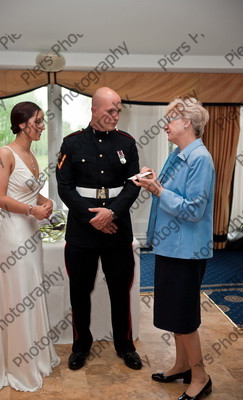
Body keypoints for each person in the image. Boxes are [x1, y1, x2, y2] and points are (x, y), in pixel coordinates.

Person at [0, 101, 60, 399]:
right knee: (15, 296)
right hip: (12, 234)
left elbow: (31, 192)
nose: (41, 126)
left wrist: (46, 202)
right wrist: (32, 209)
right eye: (38, 121)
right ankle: (14, 364)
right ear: (22, 123)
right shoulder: (4, 153)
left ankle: (32, 356)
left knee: (29, 291)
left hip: (31, 233)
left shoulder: (30, 154)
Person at [133, 97, 214, 399]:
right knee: (173, 315)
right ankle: (181, 365)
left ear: (188, 123)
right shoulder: (177, 154)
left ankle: (201, 376)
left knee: (184, 317)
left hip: (187, 250)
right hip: (170, 246)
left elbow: (194, 209)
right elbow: (168, 192)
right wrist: (153, 181)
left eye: (171, 119)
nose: (165, 124)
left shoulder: (200, 158)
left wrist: (158, 189)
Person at [56, 87, 142, 370]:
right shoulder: (72, 143)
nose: (115, 116)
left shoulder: (127, 143)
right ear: (94, 110)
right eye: (110, 111)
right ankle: (81, 346)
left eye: (119, 110)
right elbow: (65, 187)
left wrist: (112, 213)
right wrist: (92, 217)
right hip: (82, 232)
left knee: (120, 291)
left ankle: (125, 345)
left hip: (117, 229)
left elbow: (133, 184)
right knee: (80, 292)